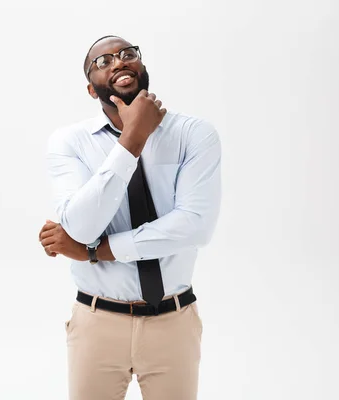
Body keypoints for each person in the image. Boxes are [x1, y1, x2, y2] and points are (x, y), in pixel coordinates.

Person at [38, 35, 222, 400]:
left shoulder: (193, 134)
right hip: (97, 322)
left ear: (142, 67)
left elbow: (195, 225)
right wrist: (133, 138)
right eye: (103, 61)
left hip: (174, 321)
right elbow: (81, 226)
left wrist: (94, 251)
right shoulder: (69, 142)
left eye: (127, 54)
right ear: (92, 90)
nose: (118, 62)